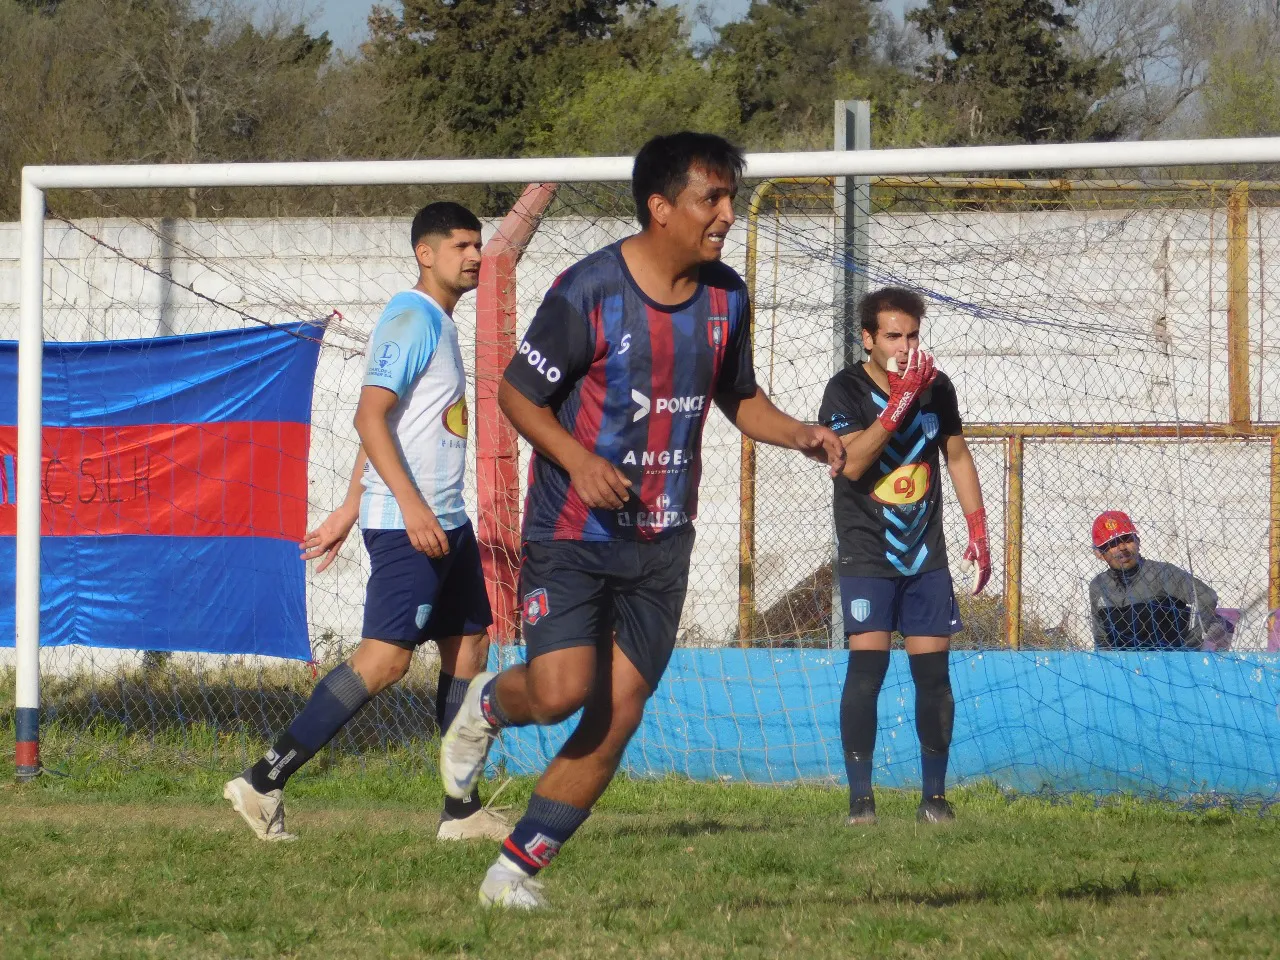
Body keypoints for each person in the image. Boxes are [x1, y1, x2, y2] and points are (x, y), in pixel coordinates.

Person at [437, 131, 846, 910]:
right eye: (712, 199)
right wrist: (580, 462)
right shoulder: (588, 290)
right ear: (661, 208)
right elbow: (517, 393)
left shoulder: (727, 295)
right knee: (559, 692)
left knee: (617, 713)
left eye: (729, 197)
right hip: (571, 534)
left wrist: (802, 433)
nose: (727, 214)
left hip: (664, 542)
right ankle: (488, 705)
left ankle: (512, 872)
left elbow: (738, 396)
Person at [223, 202, 506, 843]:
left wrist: (349, 507)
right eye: (459, 245)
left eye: (477, 245)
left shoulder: (438, 321)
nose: (473, 256)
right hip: (415, 523)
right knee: (383, 662)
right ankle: (263, 782)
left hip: (446, 521)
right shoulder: (410, 319)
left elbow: (389, 424)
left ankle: (461, 812)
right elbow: (368, 415)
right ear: (424, 253)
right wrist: (402, 509)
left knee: (470, 648)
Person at [817, 286, 990, 827]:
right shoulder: (843, 389)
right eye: (893, 336)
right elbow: (850, 464)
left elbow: (957, 456)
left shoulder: (936, 388)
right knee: (866, 672)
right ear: (868, 339)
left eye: (912, 336)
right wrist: (896, 406)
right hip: (868, 554)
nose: (904, 347)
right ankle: (861, 802)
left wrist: (978, 527)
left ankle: (934, 799)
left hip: (925, 556)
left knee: (933, 677)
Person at [1088, 510, 1233, 651]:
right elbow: (1101, 638)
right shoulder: (1099, 586)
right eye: (1113, 543)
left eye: (1127, 539)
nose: (1122, 548)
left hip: (1169, 659)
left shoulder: (1162, 573)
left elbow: (1206, 597)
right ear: (1099, 553)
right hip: (1126, 664)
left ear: (1138, 541)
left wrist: (1189, 644)